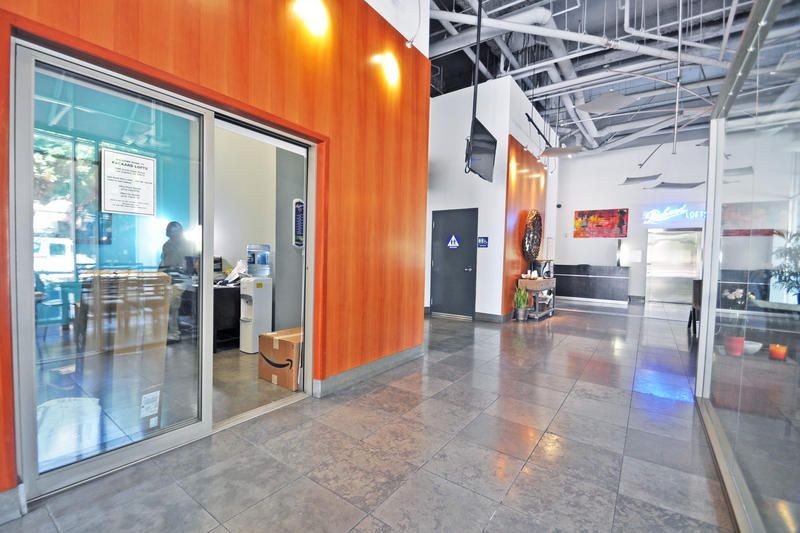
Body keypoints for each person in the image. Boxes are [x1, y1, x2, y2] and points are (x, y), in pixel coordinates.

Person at [159, 221, 193, 343]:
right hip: (168, 278)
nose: (169, 233)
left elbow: (191, 264)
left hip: (182, 280)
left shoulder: (188, 245)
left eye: (171, 231)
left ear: (179, 232)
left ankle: (174, 333)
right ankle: (175, 323)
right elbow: (163, 262)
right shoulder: (166, 245)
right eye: (168, 231)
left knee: (172, 299)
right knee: (163, 298)